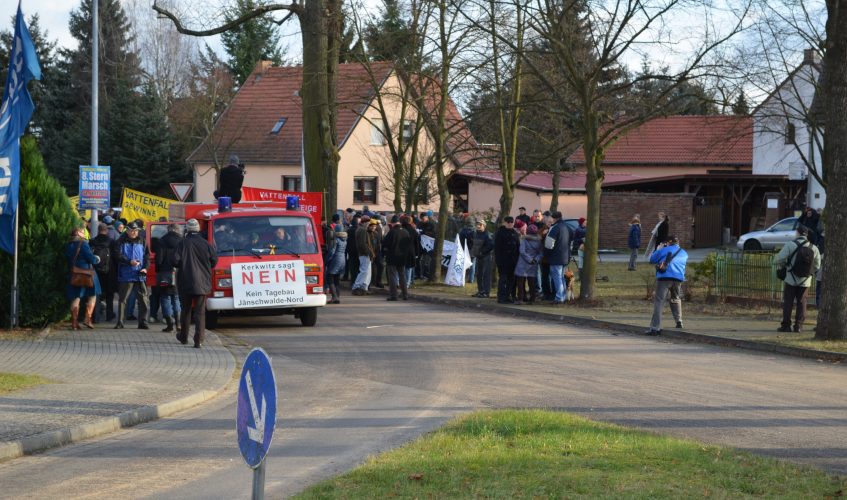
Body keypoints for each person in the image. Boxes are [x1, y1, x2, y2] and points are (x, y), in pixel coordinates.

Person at [174, 219, 218, 348]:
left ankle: (183, 337)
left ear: (187, 229)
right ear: (198, 229)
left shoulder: (182, 244)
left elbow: (175, 261)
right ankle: (199, 340)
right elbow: (214, 261)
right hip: (202, 282)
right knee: (200, 312)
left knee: (186, 310)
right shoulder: (206, 244)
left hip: (185, 282)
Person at [775, 226, 821, 333]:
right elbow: (817, 266)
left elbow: (778, 259)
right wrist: (808, 273)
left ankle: (786, 326)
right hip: (805, 281)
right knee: (802, 303)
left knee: (788, 302)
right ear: (807, 235)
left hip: (790, 279)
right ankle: (798, 326)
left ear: (797, 233)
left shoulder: (790, 245)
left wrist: (786, 266)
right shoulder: (814, 248)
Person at [646, 235, 688, 335]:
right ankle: (679, 321)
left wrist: (658, 249)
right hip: (678, 278)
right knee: (675, 298)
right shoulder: (684, 253)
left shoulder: (663, 250)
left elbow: (652, 259)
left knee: (659, 301)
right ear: (677, 243)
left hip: (664, 278)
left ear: (668, 242)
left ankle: (654, 328)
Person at [112, 222, 150, 329]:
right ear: (127, 230)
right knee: (123, 299)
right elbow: (117, 255)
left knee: (143, 299)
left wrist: (145, 268)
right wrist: (129, 261)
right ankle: (120, 322)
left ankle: (143, 322)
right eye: (132, 231)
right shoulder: (120, 241)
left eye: (136, 230)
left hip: (139, 274)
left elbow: (147, 256)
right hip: (126, 274)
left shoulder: (142, 240)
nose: (134, 233)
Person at [66, 226, 101, 330]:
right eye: (82, 232)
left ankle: (74, 322)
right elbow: (91, 259)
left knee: (76, 297)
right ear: (77, 233)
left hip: (74, 274)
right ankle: (87, 319)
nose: (84, 233)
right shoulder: (83, 244)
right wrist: (97, 259)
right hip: (87, 274)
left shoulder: (69, 245)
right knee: (93, 295)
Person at [156, 223, 183, 333]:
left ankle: (169, 324)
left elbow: (159, 259)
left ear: (168, 230)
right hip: (177, 273)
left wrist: (158, 270)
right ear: (178, 230)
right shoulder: (182, 241)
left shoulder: (161, 241)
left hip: (164, 272)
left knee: (165, 297)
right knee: (176, 298)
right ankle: (178, 323)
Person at [544, 211, 571, 305]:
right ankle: (563, 296)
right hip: (565, 257)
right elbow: (572, 238)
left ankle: (559, 297)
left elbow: (549, 244)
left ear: (553, 218)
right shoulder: (567, 227)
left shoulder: (555, 228)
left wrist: (546, 254)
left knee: (557, 278)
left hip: (556, 257)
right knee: (562, 278)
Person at [382, 217, 412, 301]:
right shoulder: (406, 232)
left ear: (392, 223)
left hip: (392, 257)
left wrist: (385, 251)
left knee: (392, 276)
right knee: (402, 276)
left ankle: (393, 295)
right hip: (402, 257)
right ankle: (405, 294)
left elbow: (385, 243)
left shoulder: (392, 232)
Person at [89, 223, 115, 322]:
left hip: (96, 271)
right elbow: (115, 256)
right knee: (109, 294)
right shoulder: (111, 242)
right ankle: (109, 315)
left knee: (96, 294)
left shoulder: (92, 241)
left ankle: (95, 317)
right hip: (109, 271)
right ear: (106, 230)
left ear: (98, 230)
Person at [494, 216, 520, 304]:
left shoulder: (515, 233)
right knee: (503, 279)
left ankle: (508, 296)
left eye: (511, 222)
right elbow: (497, 248)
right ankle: (501, 297)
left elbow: (518, 247)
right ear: (504, 222)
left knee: (511, 280)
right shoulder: (500, 233)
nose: (510, 224)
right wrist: (498, 261)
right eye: (508, 222)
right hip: (503, 261)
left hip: (513, 261)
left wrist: (517, 260)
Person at [515, 224, 542, 304]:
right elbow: (541, 253)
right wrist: (535, 260)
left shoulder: (524, 240)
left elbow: (522, 251)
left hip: (523, 263)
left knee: (520, 282)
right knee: (532, 282)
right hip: (533, 264)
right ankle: (532, 299)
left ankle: (521, 299)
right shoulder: (539, 241)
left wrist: (529, 259)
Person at [352, 216, 376, 295]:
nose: (369, 224)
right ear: (364, 222)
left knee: (367, 271)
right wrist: (368, 252)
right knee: (364, 271)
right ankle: (356, 286)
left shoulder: (362, 229)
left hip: (365, 253)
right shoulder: (362, 230)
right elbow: (362, 244)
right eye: (368, 222)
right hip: (364, 253)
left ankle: (363, 287)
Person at [471, 220, 494, 298]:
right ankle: (480, 291)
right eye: (477, 224)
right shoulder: (476, 234)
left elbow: (491, 245)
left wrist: (482, 252)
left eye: (480, 225)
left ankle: (486, 292)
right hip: (478, 257)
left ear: (484, 226)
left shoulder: (487, 235)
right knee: (479, 275)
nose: (478, 226)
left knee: (486, 275)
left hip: (486, 257)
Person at [325, 223, 347, 304]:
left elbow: (332, 252)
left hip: (336, 259)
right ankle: (337, 296)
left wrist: (327, 260)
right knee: (336, 279)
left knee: (329, 277)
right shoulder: (344, 240)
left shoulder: (336, 240)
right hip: (343, 260)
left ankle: (334, 297)